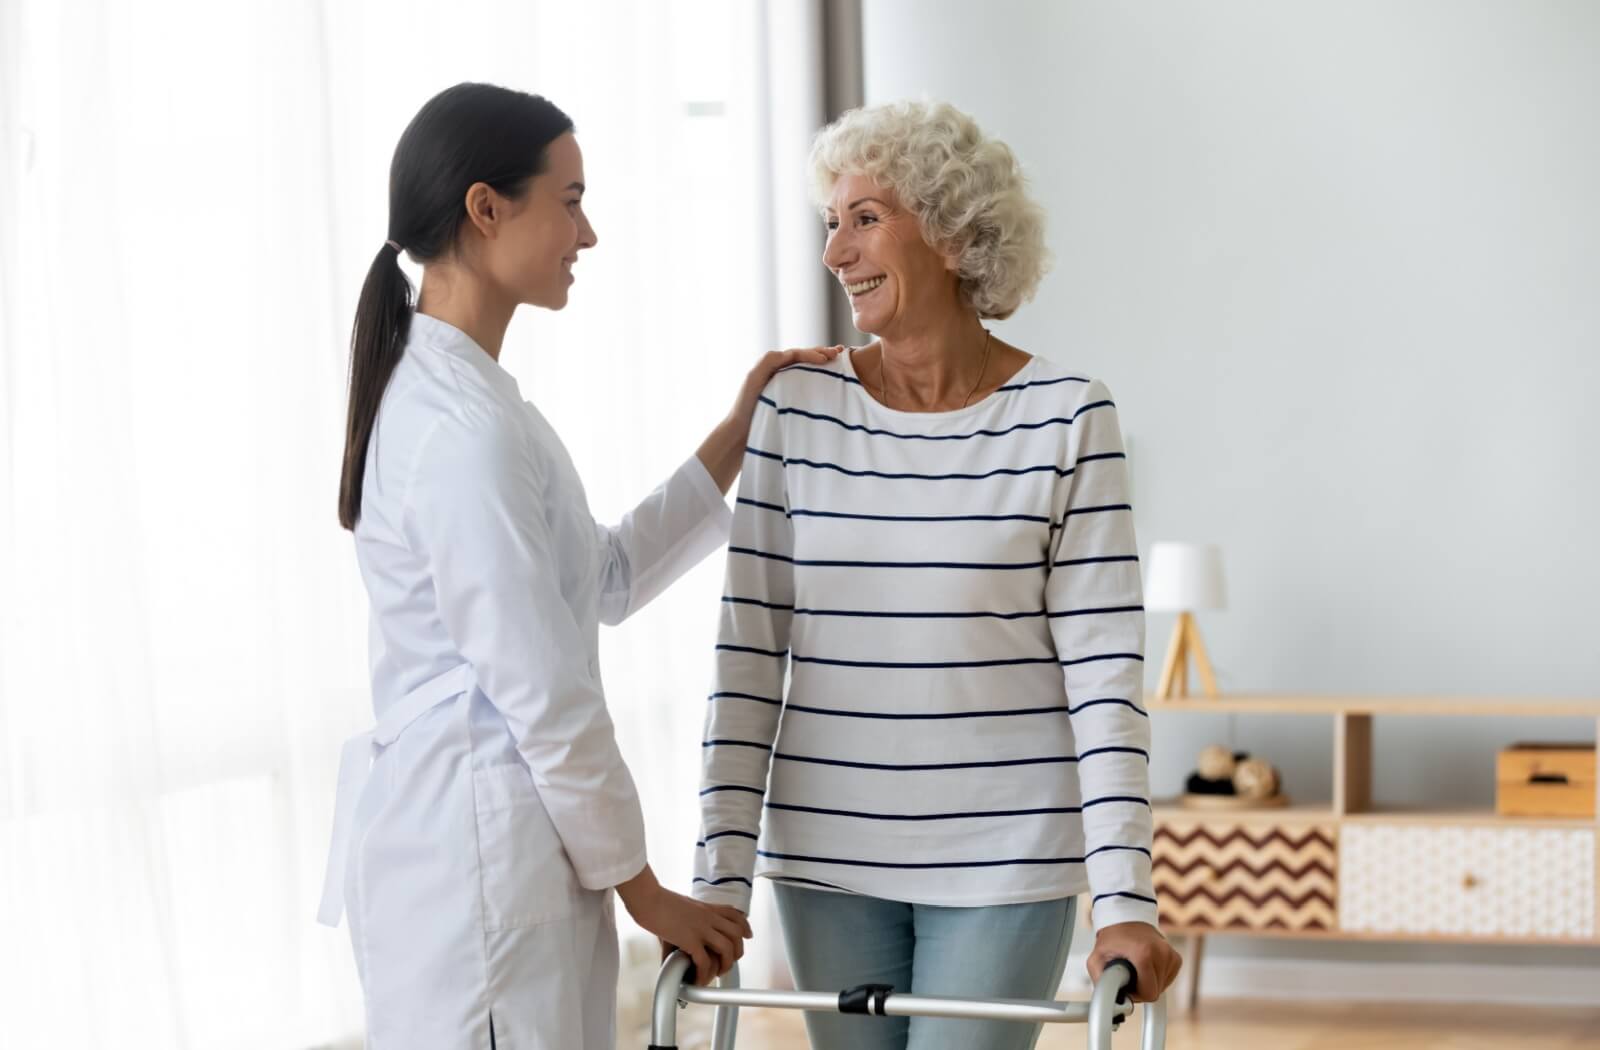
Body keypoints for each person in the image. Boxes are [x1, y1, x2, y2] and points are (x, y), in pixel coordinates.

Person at [317, 82, 837, 1050]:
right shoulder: (462, 432)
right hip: (475, 867)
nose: (587, 233)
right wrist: (648, 896)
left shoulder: (478, 406)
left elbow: (596, 579)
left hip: (500, 857)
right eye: (569, 200)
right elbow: (544, 696)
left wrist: (733, 434)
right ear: (485, 208)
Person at [692, 100, 1182, 1050]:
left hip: (1007, 860)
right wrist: (719, 878)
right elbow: (745, 660)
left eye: (866, 218)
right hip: (827, 856)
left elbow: (1104, 683)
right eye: (831, 224)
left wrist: (1127, 897)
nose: (836, 253)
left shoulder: (1068, 418)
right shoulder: (796, 410)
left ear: (955, 236)